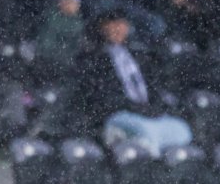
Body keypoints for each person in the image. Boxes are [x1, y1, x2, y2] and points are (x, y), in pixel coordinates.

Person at [80, 11, 193, 155]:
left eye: (121, 24)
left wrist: (154, 107)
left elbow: (153, 86)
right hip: (120, 113)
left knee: (181, 130)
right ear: (102, 28)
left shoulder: (139, 54)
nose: (118, 29)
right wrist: (134, 107)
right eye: (112, 25)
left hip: (147, 113)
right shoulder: (94, 59)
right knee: (146, 133)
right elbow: (103, 95)